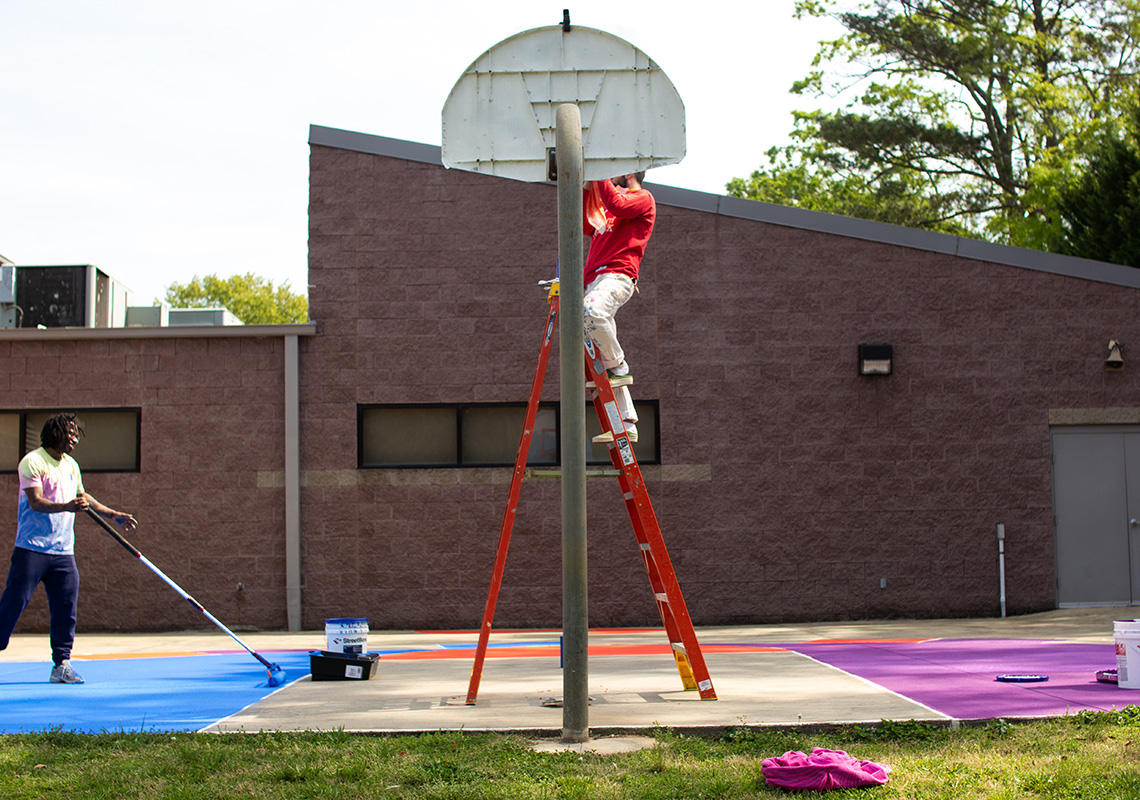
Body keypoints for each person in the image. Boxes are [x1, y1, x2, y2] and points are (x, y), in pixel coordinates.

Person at [0, 413, 137, 684]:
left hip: (63, 552)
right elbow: (36, 503)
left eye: (76, 434)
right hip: (32, 549)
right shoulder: (33, 462)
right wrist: (67, 506)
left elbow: (81, 496)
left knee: (66, 607)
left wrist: (112, 514)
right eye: (70, 433)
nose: (75, 438)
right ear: (55, 433)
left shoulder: (71, 465)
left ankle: (61, 664)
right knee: (14, 603)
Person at [582, 170, 656, 443]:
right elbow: (587, 223)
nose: (609, 182)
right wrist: (587, 190)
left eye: (611, 175)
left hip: (617, 276)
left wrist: (598, 174)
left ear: (627, 173)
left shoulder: (642, 199)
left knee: (592, 312)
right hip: (594, 280)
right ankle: (625, 421)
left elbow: (616, 204)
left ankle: (619, 366)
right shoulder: (611, 211)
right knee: (597, 344)